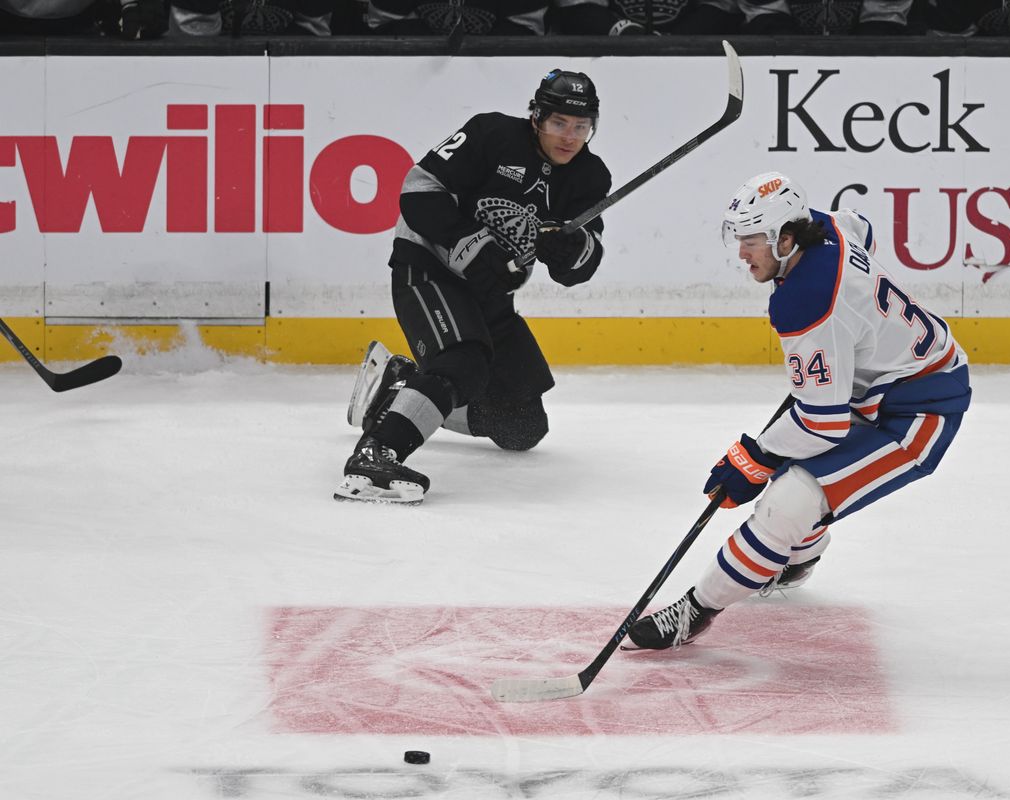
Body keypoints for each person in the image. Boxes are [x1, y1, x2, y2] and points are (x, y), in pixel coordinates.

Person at [624, 172, 971, 650]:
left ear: (787, 239)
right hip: (880, 385)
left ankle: (697, 609)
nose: (742, 252)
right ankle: (797, 557)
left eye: (751, 240)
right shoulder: (826, 226)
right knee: (791, 464)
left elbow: (821, 423)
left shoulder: (807, 301)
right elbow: (859, 227)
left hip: (920, 413)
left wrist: (753, 456)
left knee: (789, 500)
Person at [334, 69, 612, 505]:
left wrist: (571, 248)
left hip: (491, 292)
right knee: (463, 362)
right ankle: (375, 454)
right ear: (536, 116)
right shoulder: (492, 134)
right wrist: (470, 241)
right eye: (559, 122)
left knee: (521, 426)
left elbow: (582, 264)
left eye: (581, 126)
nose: (570, 137)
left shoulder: (589, 176)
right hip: (430, 269)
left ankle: (399, 391)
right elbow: (418, 188)